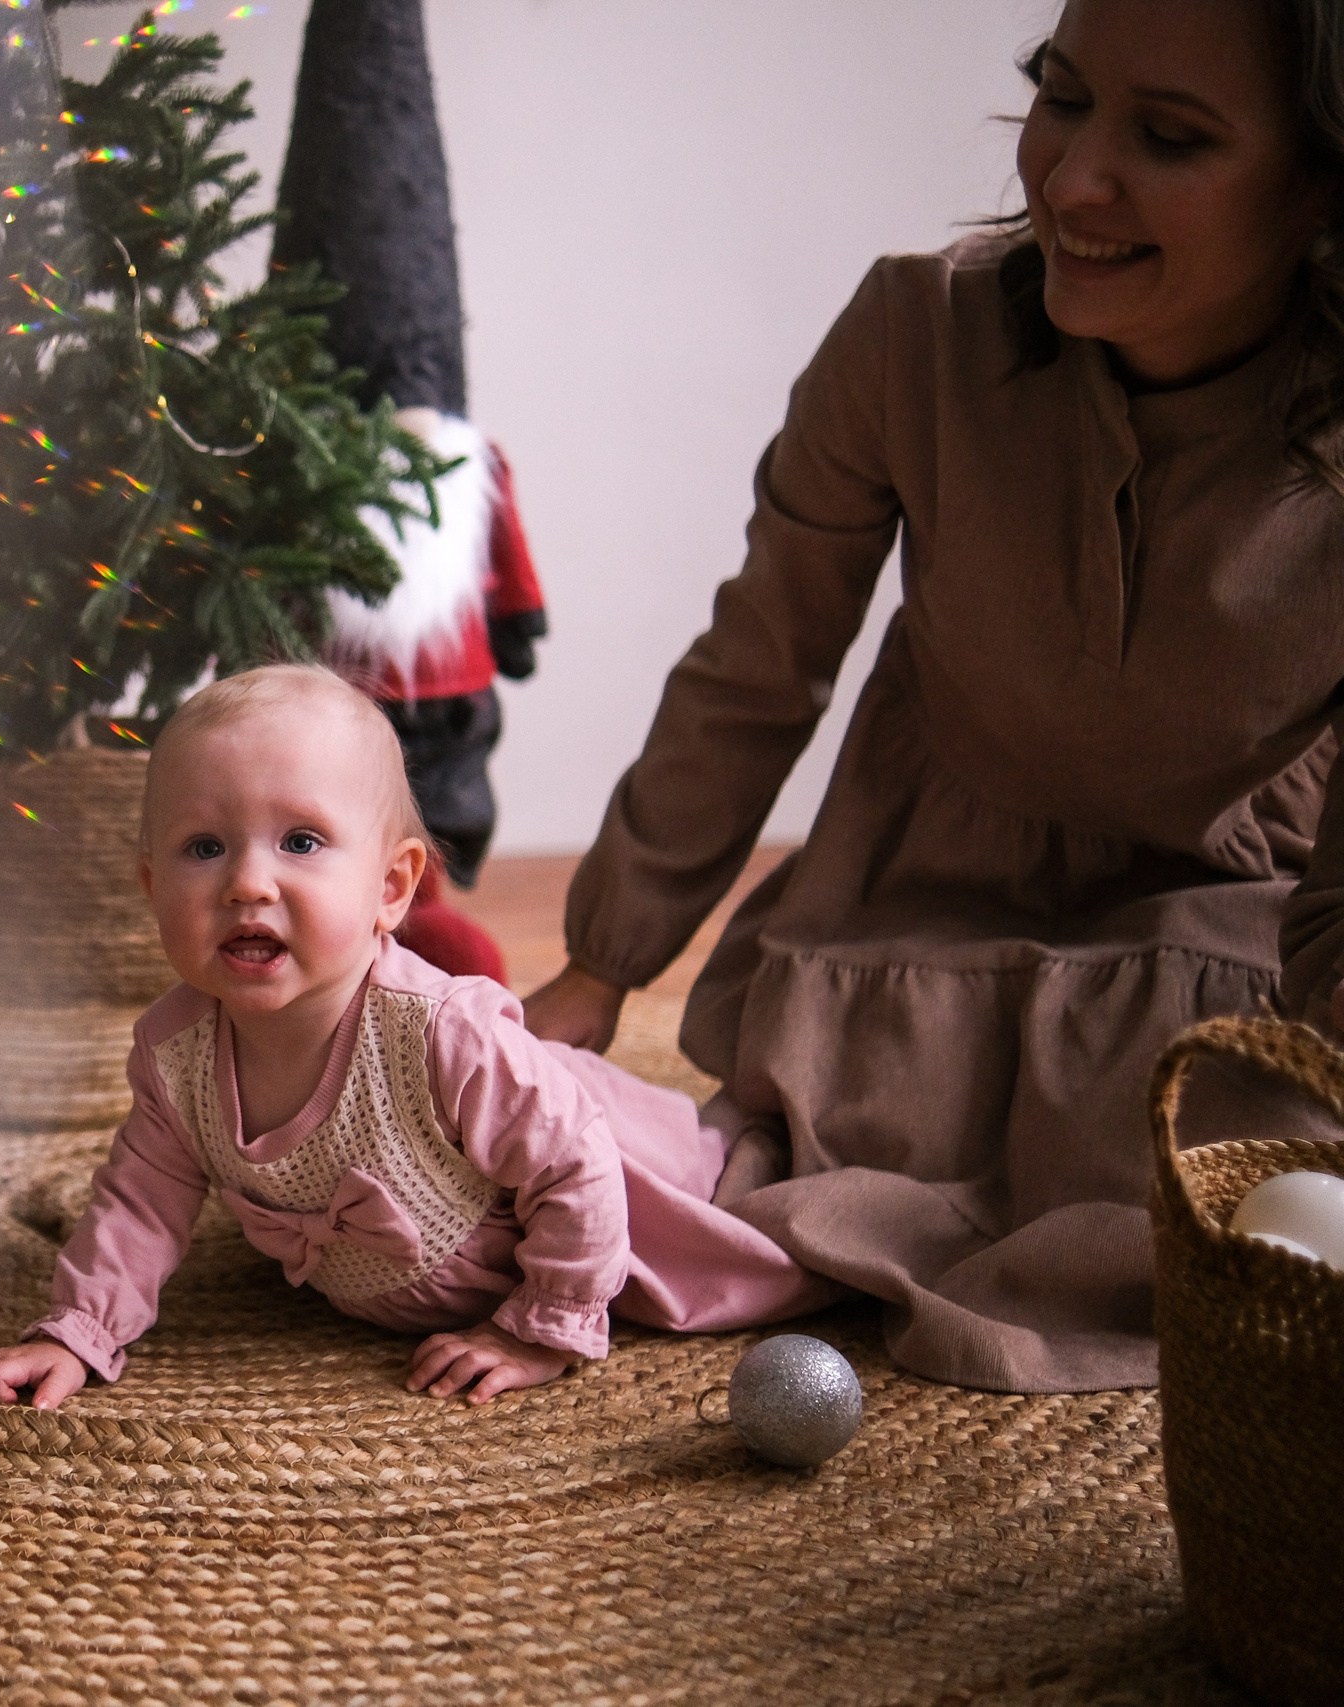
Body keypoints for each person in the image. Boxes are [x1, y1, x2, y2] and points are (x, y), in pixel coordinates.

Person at [523, 0, 1344, 1393]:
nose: (1075, 177)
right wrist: (600, 969)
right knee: (796, 1165)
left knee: (1230, 1198)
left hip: (1221, 906)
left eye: (1170, 136)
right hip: (913, 896)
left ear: (1323, 188)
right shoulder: (917, 329)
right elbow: (758, 666)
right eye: (1060, 94)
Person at [0, 665, 828, 1411]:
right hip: (431, 1253)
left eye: (300, 840)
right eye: (204, 847)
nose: (249, 881)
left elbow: (575, 1165)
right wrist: (80, 1333)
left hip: (619, 1172)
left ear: (392, 887)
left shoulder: (443, 1034)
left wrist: (544, 1326)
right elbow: (140, 1200)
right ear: (150, 885)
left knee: (777, 1229)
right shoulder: (176, 1054)